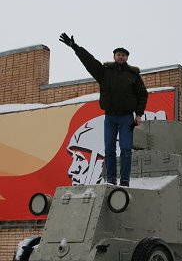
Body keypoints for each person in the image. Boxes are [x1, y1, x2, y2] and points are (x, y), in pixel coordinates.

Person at [59, 33, 148, 187]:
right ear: (114, 56)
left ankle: (125, 180)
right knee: (109, 150)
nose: (121, 57)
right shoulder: (105, 72)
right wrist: (75, 47)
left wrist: (139, 114)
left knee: (126, 149)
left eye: (124, 55)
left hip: (127, 118)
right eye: (118, 54)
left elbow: (143, 94)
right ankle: (111, 179)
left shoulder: (133, 75)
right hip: (110, 117)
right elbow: (89, 61)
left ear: (127, 58)